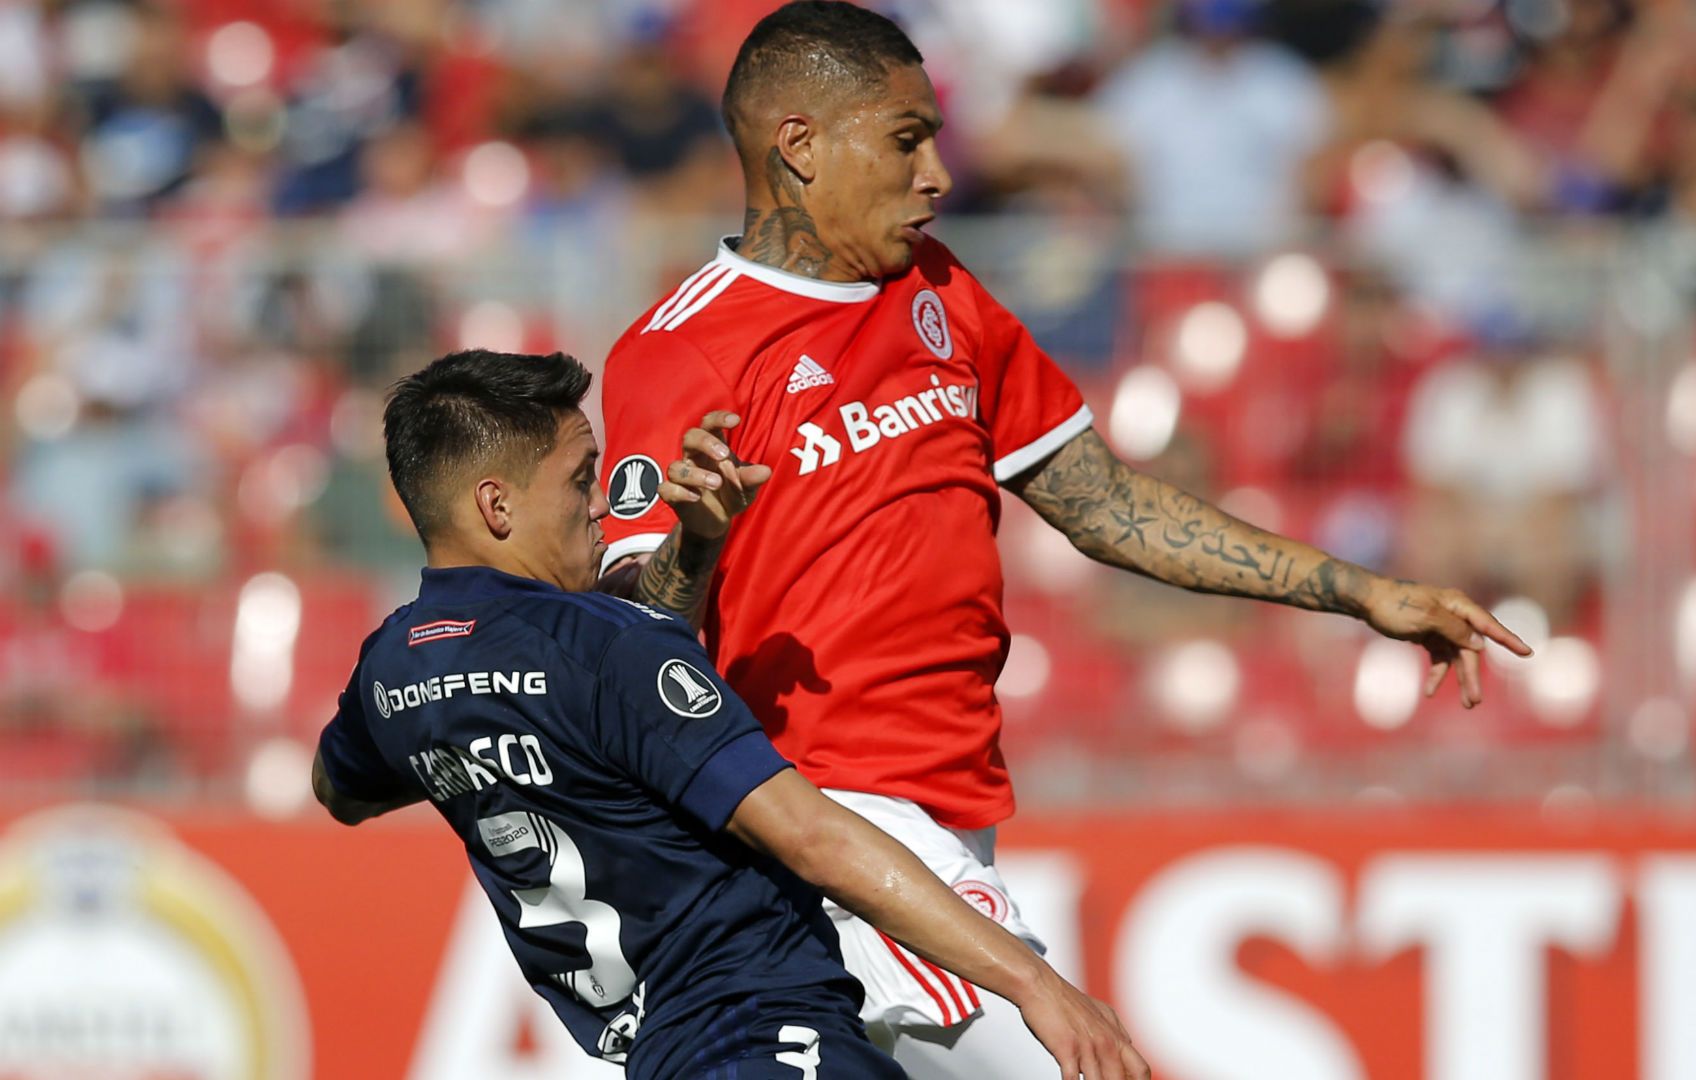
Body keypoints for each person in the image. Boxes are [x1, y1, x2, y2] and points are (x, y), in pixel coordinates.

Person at [594, 4, 1531, 1076]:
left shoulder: (942, 294)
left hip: (948, 814)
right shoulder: (682, 351)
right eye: (906, 140)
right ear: (798, 146)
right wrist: (698, 544)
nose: (938, 173)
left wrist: (1358, 591)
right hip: (828, 818)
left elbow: (1100, 503)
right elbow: (627, 636)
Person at [311, 349, 1147, 1080]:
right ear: (497, 507)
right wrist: (1037, 984)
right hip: (768, 1035)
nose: (600, 507)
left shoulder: (394, 666)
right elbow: (813, 837)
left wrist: (467, 757)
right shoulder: (602, 645)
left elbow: (339, 788)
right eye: (578, 481)